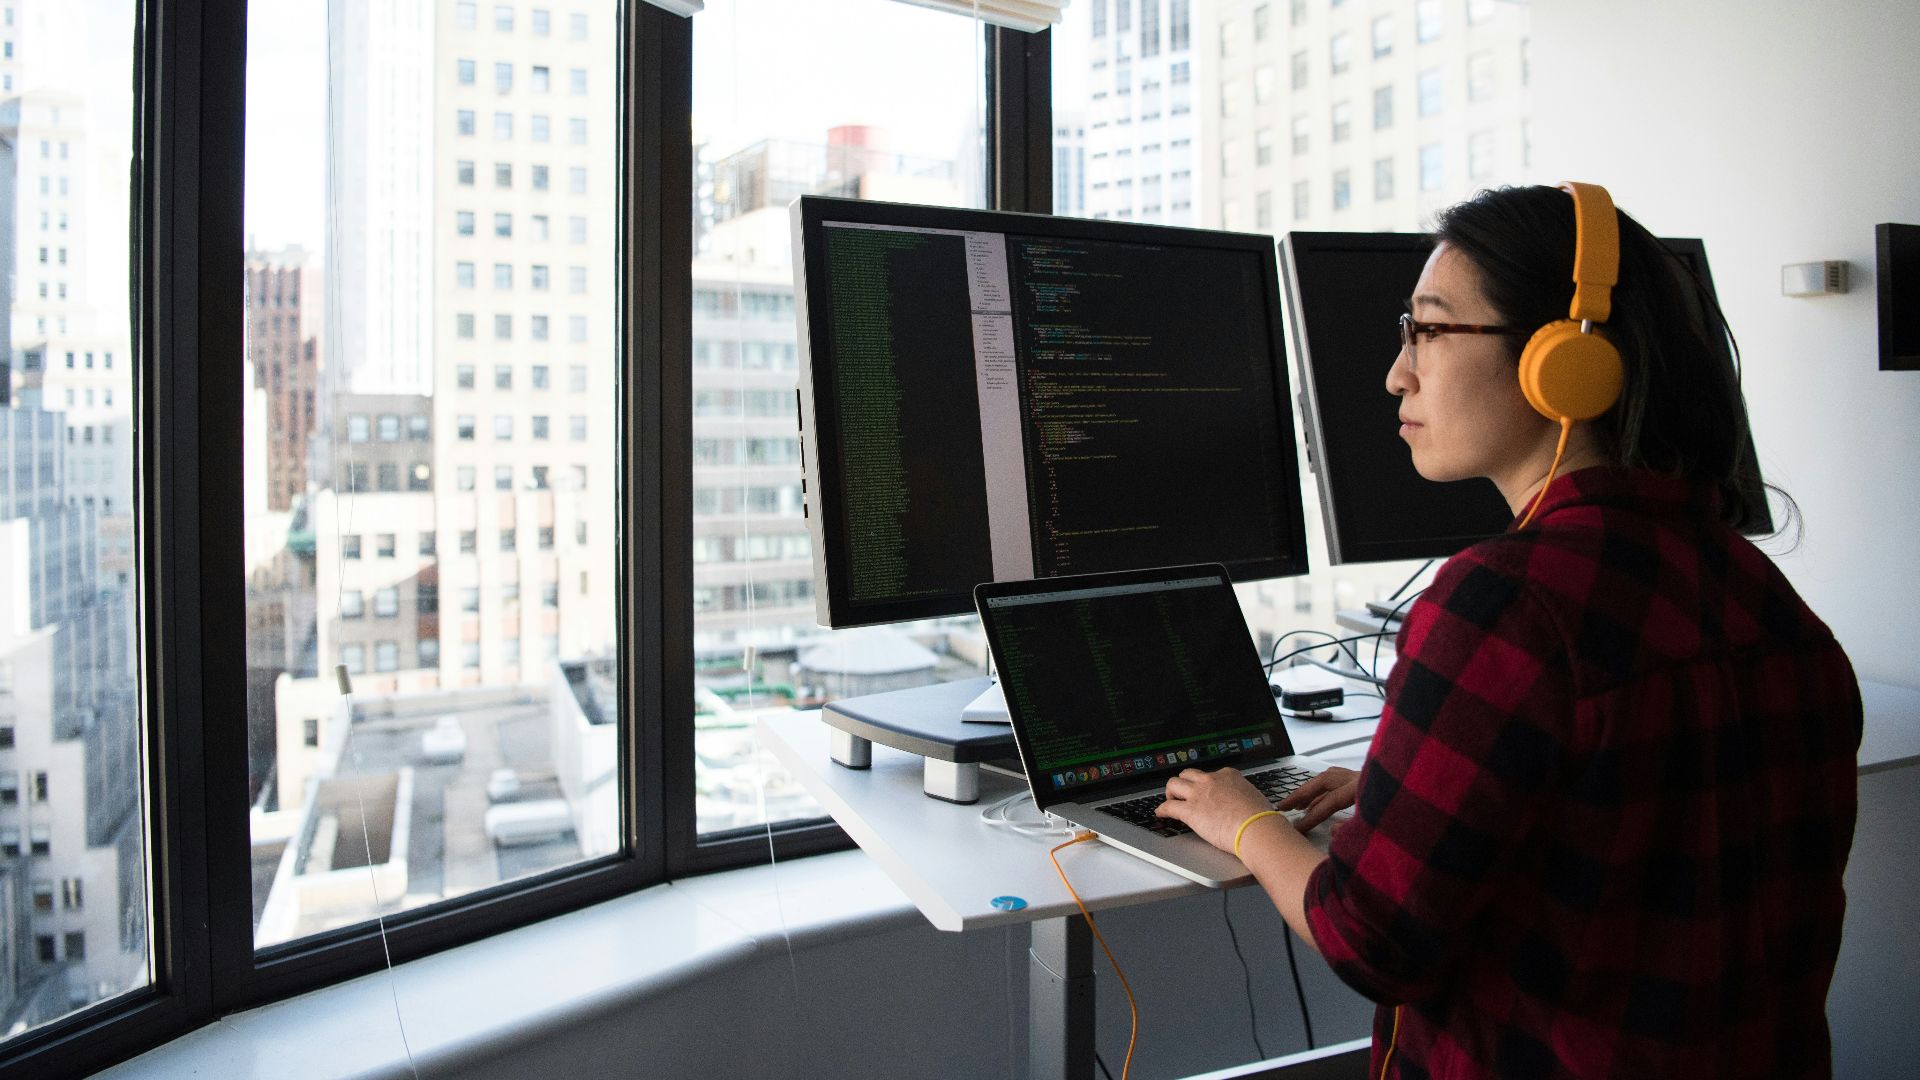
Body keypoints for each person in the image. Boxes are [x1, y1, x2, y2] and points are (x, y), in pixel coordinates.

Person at [1154, 184, 1862, 1078]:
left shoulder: (1505, 605)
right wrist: (1416, 787)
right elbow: (1644, 811)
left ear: (1564, 362)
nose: (1397, 373)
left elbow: (1372, 941)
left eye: (1428, 330)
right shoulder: (1765, 596)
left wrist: (1248, 821)